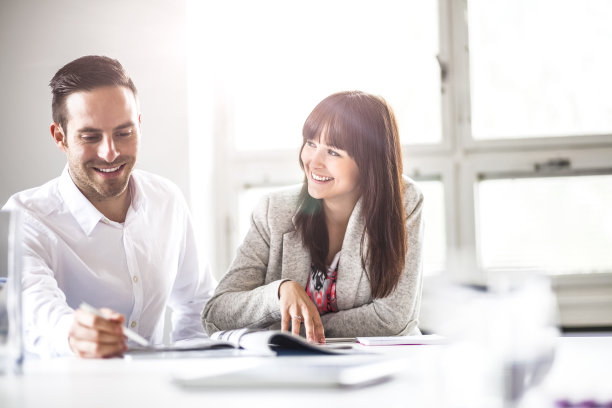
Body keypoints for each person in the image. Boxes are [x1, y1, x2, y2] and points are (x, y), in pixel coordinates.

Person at [2, 55, 216, 358]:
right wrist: (73, 333)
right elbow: (33, 309)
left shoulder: (167, 199)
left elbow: (197, 302)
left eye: (123, 133)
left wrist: (187, 368)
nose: (110, 152)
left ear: (139, 126)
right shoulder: (24, 218)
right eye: (90, 137)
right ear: (60, 137)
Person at [203, 91, 424, 343]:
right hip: (294, 369)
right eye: (311, 143)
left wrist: (292, 328)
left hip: (383, 367)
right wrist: (279, 293)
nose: (313, 162)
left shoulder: (403, 201)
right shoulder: (273, 211)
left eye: (333, 152)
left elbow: (392, 319)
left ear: (369, 162)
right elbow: (216, 314)